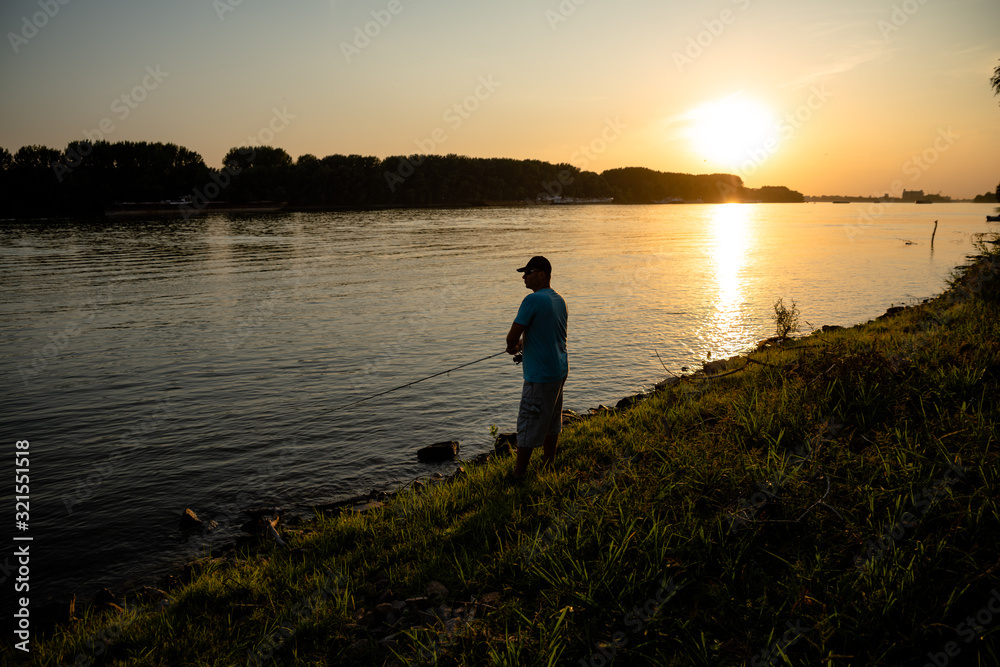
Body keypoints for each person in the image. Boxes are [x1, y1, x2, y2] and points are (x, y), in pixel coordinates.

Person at [505, 255, 568, 481]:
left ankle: (518, 476)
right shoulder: (559, 299)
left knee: (528, 423)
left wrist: (513, 345)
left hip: (539, 375)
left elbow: (512, 336)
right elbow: (548, 334)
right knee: (552, 421)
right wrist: (524, 344)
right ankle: (547, 466)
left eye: (528, 272)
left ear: (542, 274)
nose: (524, 276)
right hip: (559, 371)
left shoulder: (531, 301)